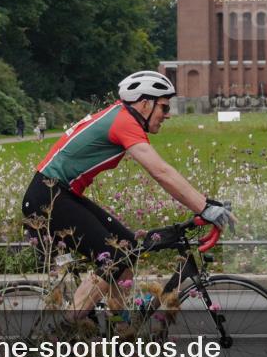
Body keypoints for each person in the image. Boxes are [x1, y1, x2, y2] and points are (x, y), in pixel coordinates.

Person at [21, 71, 236, 326]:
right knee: (114, 256)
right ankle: (65, 332)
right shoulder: (124, 121)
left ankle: (119, 326)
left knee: (127, 246)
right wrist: (204, 207)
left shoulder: (120, 116)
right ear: (145, 103)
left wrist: (206, 203)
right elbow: (160, 171)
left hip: (58, 193)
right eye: (164, 106)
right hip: (48, 196)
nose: (167, 114)